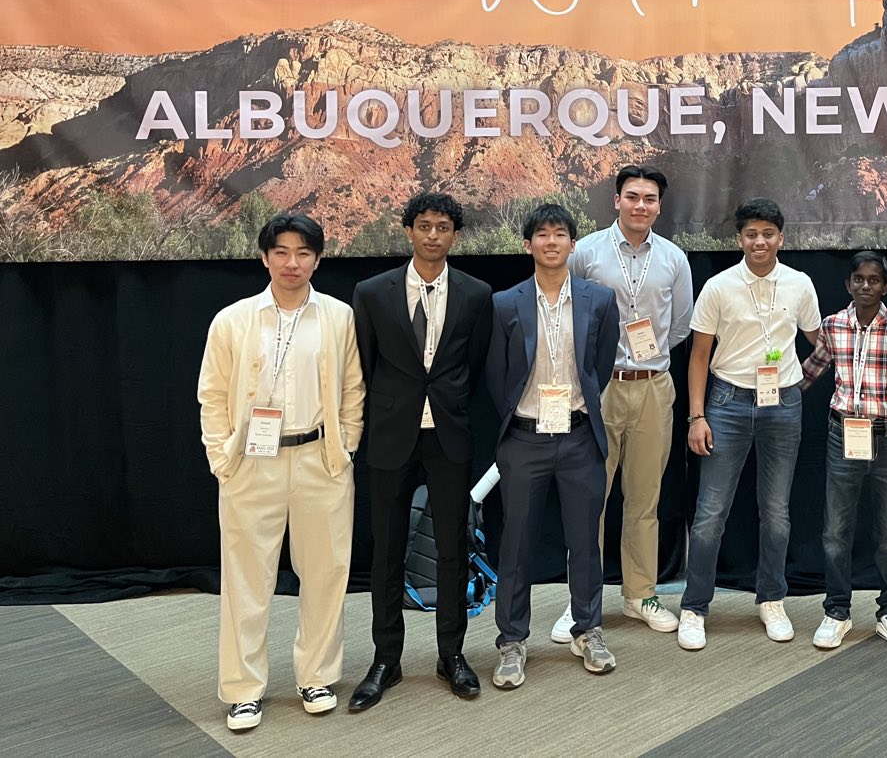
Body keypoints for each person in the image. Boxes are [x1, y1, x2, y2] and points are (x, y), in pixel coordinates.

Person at [197, 213, 364, 732]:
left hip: (320, 460)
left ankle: (316, 675)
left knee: (326, 573)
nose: (293, 263)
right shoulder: (233, 319)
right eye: (282, 252)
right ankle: (244, 690)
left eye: (304, 253)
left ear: (318, 258)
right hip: (253, 463)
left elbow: (354, 390)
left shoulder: (338, 317)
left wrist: (346, 448)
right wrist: (222, 457)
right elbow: (213, 395)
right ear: (264, 257)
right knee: (247, 578)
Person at [347, 192, 494, 711]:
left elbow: (472, 367)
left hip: (449, 435)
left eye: (444, 227)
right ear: (408, 231)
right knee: (386, 551)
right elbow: (363, 366)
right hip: (391, 436)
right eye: (424, 226)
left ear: (455, 234)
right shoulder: (372, 292)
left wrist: (446, 403)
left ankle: (451, 655)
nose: (434, 235)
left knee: (453, 549)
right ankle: (386, 658)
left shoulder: (477, 295)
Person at [551, 166, 693, 641]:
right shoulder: (586, 252)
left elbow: (678, 327)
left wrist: (645, 356)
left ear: (659, 206)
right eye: (632, 196)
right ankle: (581, 601)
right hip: (598, 387)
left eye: (650, 199)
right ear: (616, 201)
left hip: (653, 386)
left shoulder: (674, 259)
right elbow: (563, 312)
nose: (640, 205)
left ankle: (640, 594)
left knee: (645, 496)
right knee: (589, 497)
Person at [486, 203, 621, 689]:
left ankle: (589, 630)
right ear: (528, 245)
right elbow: (497, 375)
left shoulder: (599, 300)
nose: (550, 242)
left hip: (581, 435)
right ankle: (512, 640)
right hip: (524, 440)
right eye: (541, 235)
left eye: (559, 234)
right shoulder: (504, 303)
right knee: (516, 543)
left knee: (585, 541)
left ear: (571, 244)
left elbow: (599, 366)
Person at [678, 198, 821, 651]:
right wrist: (697, 416)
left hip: (783, 404)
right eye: (751, 234)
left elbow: (821, 342)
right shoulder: (719, 287)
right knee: (709, 515)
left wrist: (799, 383)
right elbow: (698, 358)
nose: (760, 241)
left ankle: (771, 599)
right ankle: (695, 606)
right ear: (739, 239)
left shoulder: (800, 284)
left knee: (776, 512)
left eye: (768, 234)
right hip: (726, 402)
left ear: (782, 237)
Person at [801, 251, 887, 654]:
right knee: (835, 531)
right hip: (842, 436)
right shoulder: (833, 326)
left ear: (886, 287)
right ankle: (837, 612)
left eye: (874, 280)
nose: (865, 286)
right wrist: (774, 391)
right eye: (858, 279)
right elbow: (812, 371)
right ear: (848, 284)